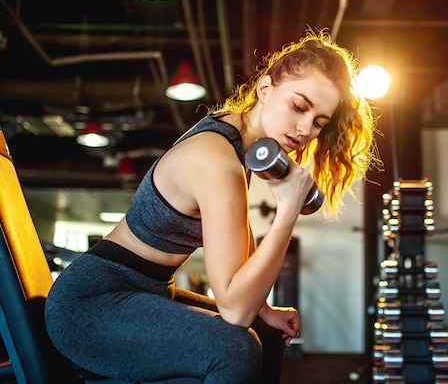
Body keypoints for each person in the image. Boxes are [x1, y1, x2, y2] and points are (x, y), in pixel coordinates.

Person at [44, 30, 378, 384]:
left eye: (319, 123)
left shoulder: (236, 139)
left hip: (144, 289)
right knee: (234, 347)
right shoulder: (218, 159)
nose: (305, 129)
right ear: (265, 89)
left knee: (265, 333)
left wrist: (264, 310)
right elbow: (234, 309)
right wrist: (286, 213)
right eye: (298, 106)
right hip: (91, 304)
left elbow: (235, 229)